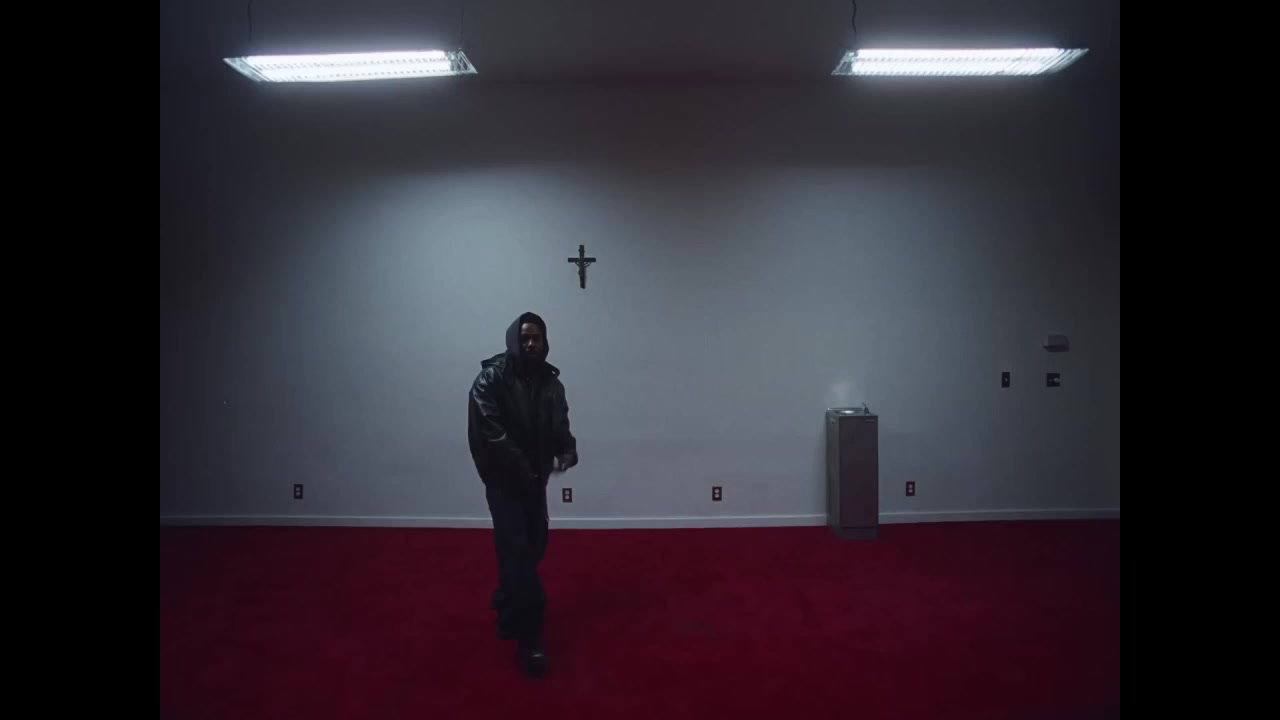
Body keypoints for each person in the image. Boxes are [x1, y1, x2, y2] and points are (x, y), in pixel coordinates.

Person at [467, 311, 578, 678]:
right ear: (513, 339)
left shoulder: (552, 384)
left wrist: (567, 448)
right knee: (518, 553)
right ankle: (530, 636)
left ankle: (506, 598)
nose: (531, 343)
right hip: (505, 482)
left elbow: (559, 424)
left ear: (545, 342)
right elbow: (491, 433)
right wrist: (522, 468)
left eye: (537, 338)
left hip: (535, 481)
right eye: (525, 337)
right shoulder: (491, 379)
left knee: (534, 545)